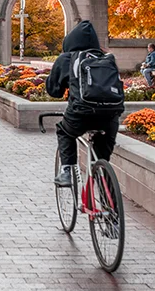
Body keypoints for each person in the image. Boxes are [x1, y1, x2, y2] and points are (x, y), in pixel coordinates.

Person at [47, 21, 125, 187]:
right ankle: (110, 206)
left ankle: (67, 171)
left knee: (64, 132)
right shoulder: (107, 58)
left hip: (80, 114)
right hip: (110, 116)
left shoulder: (67, 58)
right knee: (101, 161)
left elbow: (53, 90)